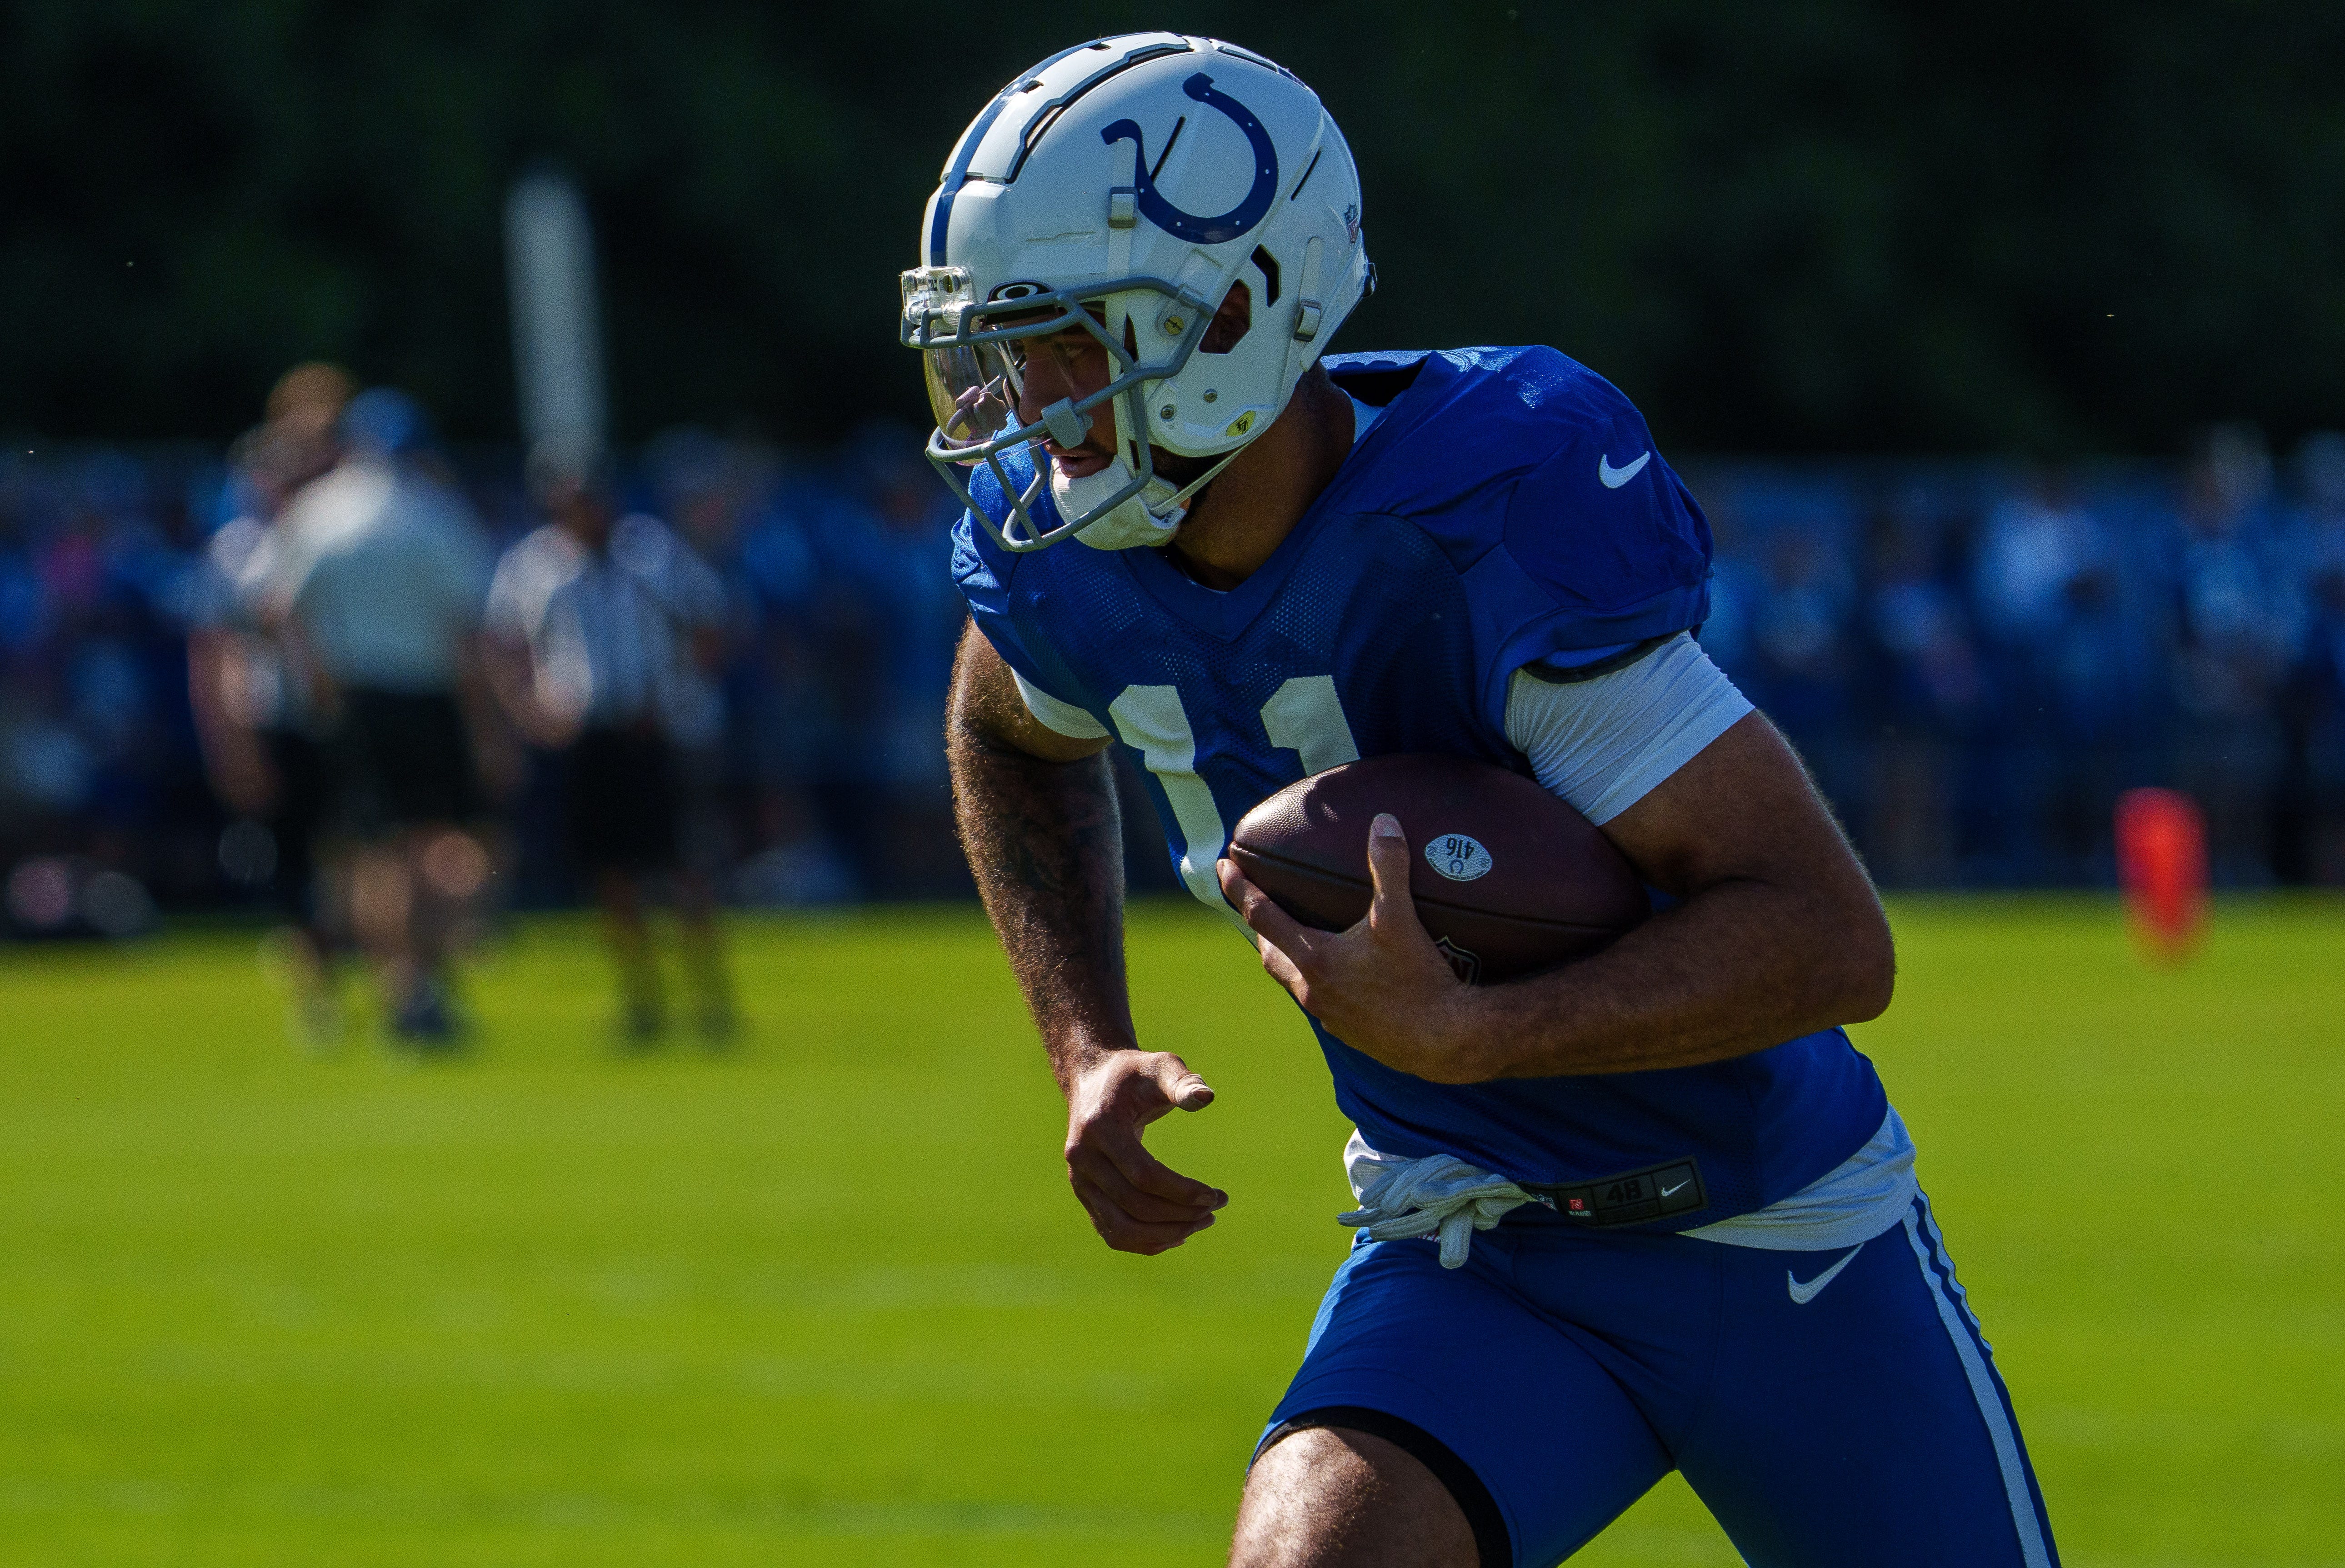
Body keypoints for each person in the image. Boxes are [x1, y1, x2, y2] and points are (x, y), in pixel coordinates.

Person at [909, 36, 2057, 1568]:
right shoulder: (1067, 568)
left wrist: (1476, 1033)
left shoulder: (1479, 515)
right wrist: (1083, 1045)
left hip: (1784, 1238)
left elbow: (1830, 940)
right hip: (1475, 1255)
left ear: (1240, 311)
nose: (1033, 400)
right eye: (1007, 344)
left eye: (1071, 342)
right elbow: (1005, 735)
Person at [265, 390, 502, 1045]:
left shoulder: (316, 515)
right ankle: (424, 981)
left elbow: (284, 611)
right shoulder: (434, 513)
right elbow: (467, 630)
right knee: (437, 841)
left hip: (357, 696)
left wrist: (321, 690)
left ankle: (399, 981)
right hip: (426, 693)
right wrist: (487, 727)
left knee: (376, 850)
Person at [483, 439, 735, 1043]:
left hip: (649, 733)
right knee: (610, 872)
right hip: (586, 737)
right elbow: (501, 644)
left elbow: (709, 622)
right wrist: (531, 709)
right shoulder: (535, 566)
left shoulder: (651, 553)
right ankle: (641, 996)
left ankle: (709, 995)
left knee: (682, 866)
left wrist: (679, 695)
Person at [186, 363, 354, 1041]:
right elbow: (216, 655)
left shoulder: (342, 536)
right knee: (296, 863)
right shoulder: (236, 553)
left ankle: (400, 975)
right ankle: (320, 991)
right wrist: (231, 744)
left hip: (344, 714)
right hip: (277, 717)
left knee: (360, 849)